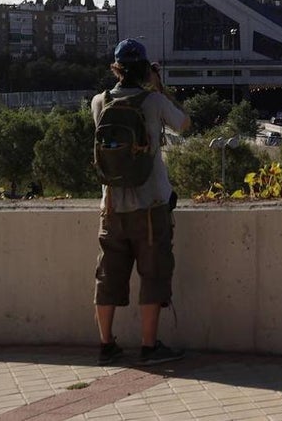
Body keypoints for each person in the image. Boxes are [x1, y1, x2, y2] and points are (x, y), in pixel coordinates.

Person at [92, 38, 191, 366]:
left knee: (108, 275)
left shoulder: (99, 102)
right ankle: (149, 347)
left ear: (116, 68)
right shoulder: (153, 102)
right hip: (150, 206)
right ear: (145, 68)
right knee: (154, 273)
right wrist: (160, 87)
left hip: (111, 206)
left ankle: (107, 345)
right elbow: (184, 123)